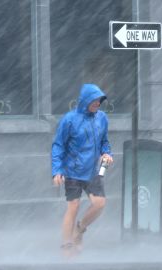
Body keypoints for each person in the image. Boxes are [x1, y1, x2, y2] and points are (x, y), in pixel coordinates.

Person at [51, 83, 114, 256]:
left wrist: (107, 154)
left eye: (100, 100)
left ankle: (79, 229)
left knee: (100, 203)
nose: (98, 104)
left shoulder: (102, 118)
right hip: (72, 171)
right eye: (94, 100)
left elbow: (104, 142)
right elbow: (58, 146)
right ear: (85, 100)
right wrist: (57, 170)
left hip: (94, 170)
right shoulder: (69, 119)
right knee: (73, 206)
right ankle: (66, 247)